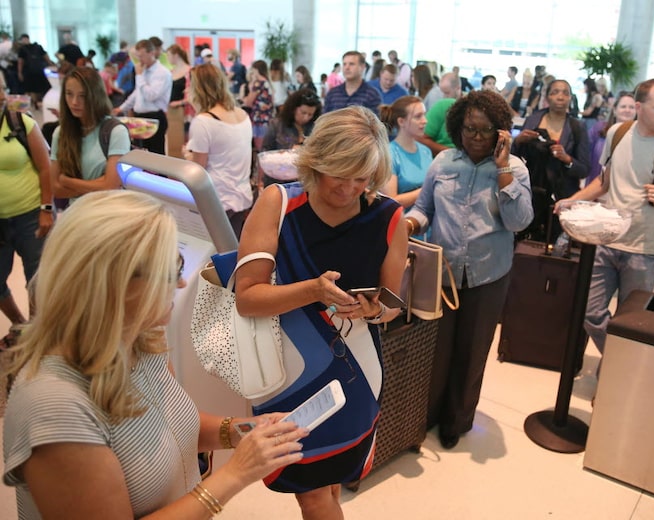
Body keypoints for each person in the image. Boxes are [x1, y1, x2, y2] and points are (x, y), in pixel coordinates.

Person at [2, 189, 307, 519]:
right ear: (114, 284)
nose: (180, 284)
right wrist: (235, 474)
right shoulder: (54, 408)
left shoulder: (142, 340)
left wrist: (241, 430)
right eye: (170, 270)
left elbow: (169, 422)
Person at [235, 105, 408, 519]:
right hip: (290, 373)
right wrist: (313, 290)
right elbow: (247, 297)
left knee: (328, 485)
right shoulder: (278, 204)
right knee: (312, 491)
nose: (349, 188)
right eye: (339, 173)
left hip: (357, 372)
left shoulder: (388, 217)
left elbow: (390, 308)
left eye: (362, 176)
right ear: (317, 161)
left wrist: (373, 311)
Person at [404, 90, 533, 449]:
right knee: (437, 349)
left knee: (472, 351)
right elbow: (423, 207)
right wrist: (410, 226)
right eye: (469, 129)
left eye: (485, 130)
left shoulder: (515, 169)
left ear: (501, 132)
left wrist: (504, 168)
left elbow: (519, 221)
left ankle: (456, 421)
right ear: (458, 128)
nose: (476, 137)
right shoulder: (443, 163)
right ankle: (427, 414)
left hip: (488, 274)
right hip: (442, 274)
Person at [555, 78, 654, 372]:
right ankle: (619, 364)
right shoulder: (618, 132)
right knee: (590, 313)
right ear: (639, 107)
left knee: (629, 322)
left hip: (646, 249)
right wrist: (572, 200)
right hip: (606, 240)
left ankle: (612, 380)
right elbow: (605, 182)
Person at [0, 73, 53, 349]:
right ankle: (20, 324)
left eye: (1, 88)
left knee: (36, 278)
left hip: (30, 214)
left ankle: (34, 333)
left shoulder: (20, 122)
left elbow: (45, 168)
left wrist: (46, 208)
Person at [512, 79, 591, 241]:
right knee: (525, 242)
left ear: (571, 98)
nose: (560, 97)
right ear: (547, 97)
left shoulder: (577, 127)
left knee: (553, 243)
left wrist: (567, 159)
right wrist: (519, 141)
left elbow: (584, 169)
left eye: (565, 93)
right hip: (532, 193)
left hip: (561, 196)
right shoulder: (533, 120)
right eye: (555, 92)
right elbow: (515, 159)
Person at [186, 63, 253, 239]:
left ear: (197, 89)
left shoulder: (203, 121)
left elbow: (197, 171)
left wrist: (187, 156)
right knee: (232, 253)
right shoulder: (242, 114)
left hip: (217, 201)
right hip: (242, 197)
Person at [50, 67, 131, 203]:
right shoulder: (60, 133)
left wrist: (67, 181)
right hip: (77, 215)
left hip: (108, 213)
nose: (74, 102)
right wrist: (98, 183)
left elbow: (111, 186)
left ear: (95, 96)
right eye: (69, 94)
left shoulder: (115, 131)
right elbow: (56, 188)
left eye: (82, 96)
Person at [112, 39, 172, 155]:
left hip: (155, 117)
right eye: (138, 57)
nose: (140, 60)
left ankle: (158, 174)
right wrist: (121, 108)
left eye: (142, 56)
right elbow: (137, 93)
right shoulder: (143, 71)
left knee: (156, 155)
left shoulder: (162, 73)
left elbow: (150, 96)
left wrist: (139, 76)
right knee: (141, 155)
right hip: (140, 116)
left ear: (152, 53)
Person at [259, 88, 322, 188]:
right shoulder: (277, 125)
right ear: (294, 108)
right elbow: (265, 152)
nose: (306, 117)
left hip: (304, 182)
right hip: (277, 182)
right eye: (303, 112)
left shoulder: (315, 127)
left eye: (310, 114)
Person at [380, 95, 432, 209]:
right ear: (401, 121)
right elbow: (390, 201)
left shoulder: (426, 151)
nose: (425, 121)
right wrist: (427, 189)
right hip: (402, 222)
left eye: (424, 114)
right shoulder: (389, 154)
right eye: (418, 116)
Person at [586, 91, 636, 185]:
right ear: (614, 110)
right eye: (623, 106)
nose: (627, 110)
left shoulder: (639, 137)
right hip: (595, 185)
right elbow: (585, 152)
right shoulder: (599, 128)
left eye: (631, 107)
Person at [416, 73, 462, 156]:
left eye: (447, 93)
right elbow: (420, 137)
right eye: (442, 93)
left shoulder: (444, 105)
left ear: (458, 88)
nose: (444, 97)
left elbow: (420, 137)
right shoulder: (442, 105)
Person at [165, 44, 192, 159]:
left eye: (169, 55)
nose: (167, 58)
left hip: (185, 113)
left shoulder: (189, 71)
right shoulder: (171, 72)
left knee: (186, 143)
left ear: (176, 55)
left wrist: (180, 102)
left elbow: (192, 93)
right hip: (171, 113)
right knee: (172, 143)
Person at [243, 60, 273, 152]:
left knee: (259, 148)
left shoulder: (258, 83)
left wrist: (250, 88)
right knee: (265, 147)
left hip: (258, 118)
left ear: (256, 70)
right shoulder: (268, 82)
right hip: (267, 118)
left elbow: (248, 102)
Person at [16, 34, 54, 110]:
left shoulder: (22, 49)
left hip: (29, 72)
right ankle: (39, 102)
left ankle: (35, 103)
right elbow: (46, 56)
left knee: (31, 89)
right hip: (40, 71)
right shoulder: (38, 47)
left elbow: (20, 62)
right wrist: (51, 65)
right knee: (40, 88)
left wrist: (19, 72)